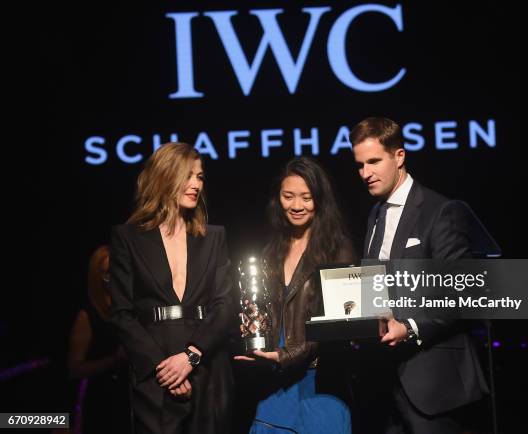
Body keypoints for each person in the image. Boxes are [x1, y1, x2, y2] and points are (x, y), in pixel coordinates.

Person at [350, 117, 489, 434]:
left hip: (434, 384)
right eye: (360, 165)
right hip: (385, 383)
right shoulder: (374, 214)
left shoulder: (440, 210)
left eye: (374, 161)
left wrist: (410, 327)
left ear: (399, 156)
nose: (365, 173)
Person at [109, 142, 234, 434]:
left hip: (208, 370)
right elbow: (122, 313)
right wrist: (163, 369)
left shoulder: (214, 237)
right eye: (187, 175)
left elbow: (225, 303)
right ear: (164, 176)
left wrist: (191, 356)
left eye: (200, 176)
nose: (196, 185)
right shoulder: (127, 238)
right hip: (157, 375)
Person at [235, 157, 354, 433]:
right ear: (278, 198)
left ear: (320, 200)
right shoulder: (270, 252)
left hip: (319, 384)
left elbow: (336, 325)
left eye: (306, 197)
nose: (297, 206)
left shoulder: (340, 249)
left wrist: (287, 355)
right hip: (274, 387)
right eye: (288, 196)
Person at [67, 245, 129, 434]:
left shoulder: (128, 311)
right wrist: (113, 360)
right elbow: (74, 369)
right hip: (102, 402)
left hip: (129, 400)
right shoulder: (88, 316)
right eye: (108, 273)